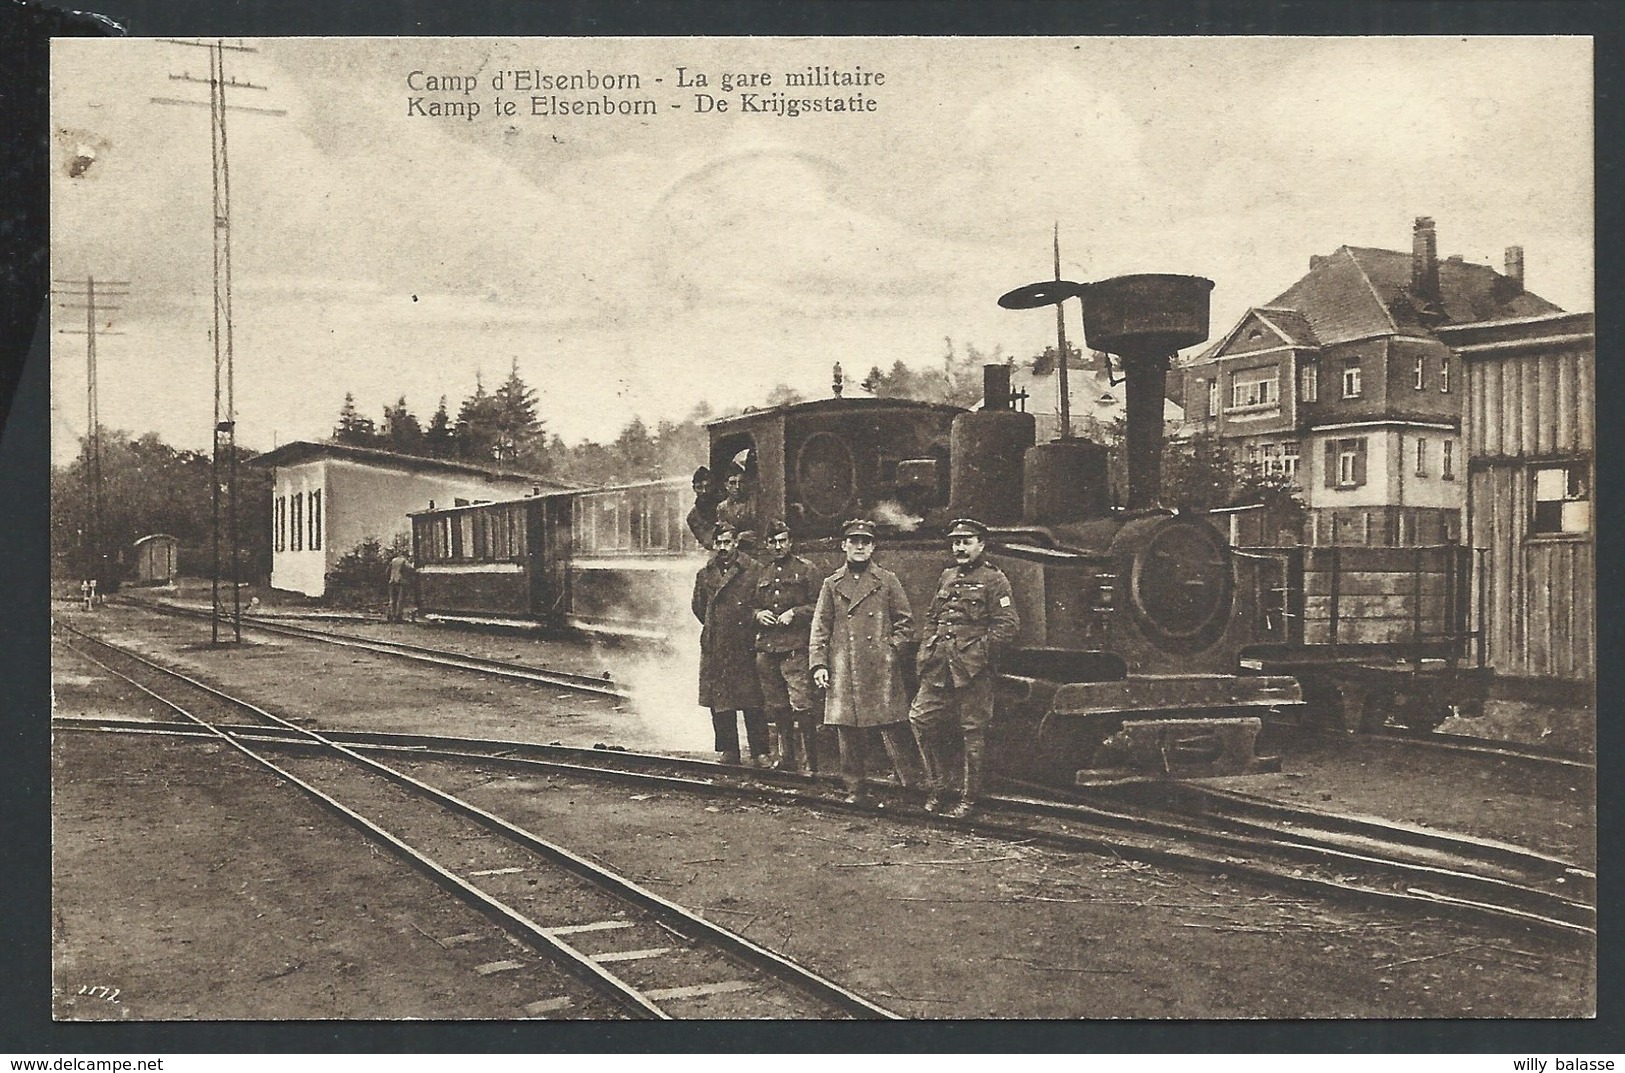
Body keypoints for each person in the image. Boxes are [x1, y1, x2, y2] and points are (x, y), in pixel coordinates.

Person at [909, 517, 1020, 818]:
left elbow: (1007, 627)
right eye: (956, 542)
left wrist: (976, 655)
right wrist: (927, 648)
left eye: (967, 541)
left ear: (981, 545)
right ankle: (939, 785)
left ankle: (969, 799)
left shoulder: (995, 580)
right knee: (920, 719)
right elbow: (933, 617)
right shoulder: (946, 577)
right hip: (939, 668)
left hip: (973, 672)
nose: (960, 547)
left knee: (973, 733)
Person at [808, 518, 919, 805]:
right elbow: (821, 627)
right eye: (854, 542)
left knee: (891, 725)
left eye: (865, 542)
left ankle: (909, 785)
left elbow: (905, 622)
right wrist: (819, 664)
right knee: (847, 729)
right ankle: (855, 788)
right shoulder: (831, 584)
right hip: (844, 665)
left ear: (873, 547)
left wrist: (890, 650)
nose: (860, 547)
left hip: (880, 665)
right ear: (844, 546)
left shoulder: (887, 580)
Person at [692, 521, 770, 766]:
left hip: (745, 642)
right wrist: (716, 625)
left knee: (752, 701)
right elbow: (698, 606)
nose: (723, 547)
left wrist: (747, 619)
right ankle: (729, 750)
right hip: (716, 644)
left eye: (728, 542)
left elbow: (762, 601)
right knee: (720, 701)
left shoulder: (753, 569)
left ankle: (760, 752)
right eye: (719, 543)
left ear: (736, 542)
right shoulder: (705, 573)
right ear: (714, 545)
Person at [750, 520, 821, 773]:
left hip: (795, 648)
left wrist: (796, 612)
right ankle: (786, 757)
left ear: (790, 542)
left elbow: (820, 608)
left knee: (801, 705)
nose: (778, 546)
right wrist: (758, 615)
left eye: (782, 540)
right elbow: (751, 606)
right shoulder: (762, 573)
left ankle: (809, 761)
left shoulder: (806, 570)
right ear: (767, 545)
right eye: (773, 542)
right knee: (777, 706)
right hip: (768, 649)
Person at [715, 466, 759, 554]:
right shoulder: (722, 507)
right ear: (726, 485)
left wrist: (742, 535)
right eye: (732, 483)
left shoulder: (754, 504)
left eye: (741, 482)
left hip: (754, 550)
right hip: (732, 552)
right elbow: (723, 532)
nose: (737, 487)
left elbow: (760, 530)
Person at [685, 466, 723, 549]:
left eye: (707, 487)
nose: (704, 491)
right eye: (699, 488)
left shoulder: (726, 504)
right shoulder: (693, 517)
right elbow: (708, 543)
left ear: (713, 486)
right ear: (694, 489)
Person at [387, 551, 414, 623]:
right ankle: (398, 616)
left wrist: (390, 577)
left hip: (392, 581)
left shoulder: (393, 560)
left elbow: (387, 571)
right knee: (400, 599)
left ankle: (392, 615)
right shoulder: (404, 561)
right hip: (400, 582)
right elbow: (410, 569)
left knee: (392, 599)